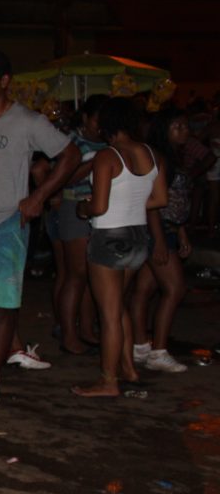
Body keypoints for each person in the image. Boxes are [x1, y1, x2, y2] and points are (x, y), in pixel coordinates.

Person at [0, 50, 79, 410]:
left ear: (4, 81)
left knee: (2, 304)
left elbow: (71, 155)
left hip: (6, 223)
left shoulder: (27, 121)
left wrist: (40, 196)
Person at [72, 98, 167, 397]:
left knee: (109, 314)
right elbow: (159, 199)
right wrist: (130, 204)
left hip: (109, 238)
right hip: (139, 238)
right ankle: (128, 368)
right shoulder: (153, 154)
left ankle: (108, 380)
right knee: (119, 307)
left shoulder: (107, 157)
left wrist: (82, 209)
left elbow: (99, 206)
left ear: (106, 125)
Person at [131, 107, 208, 373]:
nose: (185, 131)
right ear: (165, 129)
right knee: (175, 289)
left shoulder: (174, 156)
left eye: (186, 126)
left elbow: (178, 201)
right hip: (157, 229)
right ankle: (158, 351)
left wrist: (182, 231)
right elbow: (152, 203)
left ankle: (140, 345)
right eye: (178, 126)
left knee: (144, 289)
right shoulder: (158, 157)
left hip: (169, 228)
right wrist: (161, 240)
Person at [54, 96, 108, 355]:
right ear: (86, 118)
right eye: (97, 119)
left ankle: (86, 329)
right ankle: (68, 334)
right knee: (76, 275)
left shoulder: (110, 142)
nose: (101, 125)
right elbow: (63, 178)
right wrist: (92, 164)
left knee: (92, 275)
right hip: (74, 208)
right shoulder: (73, 142)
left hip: (101, 212)